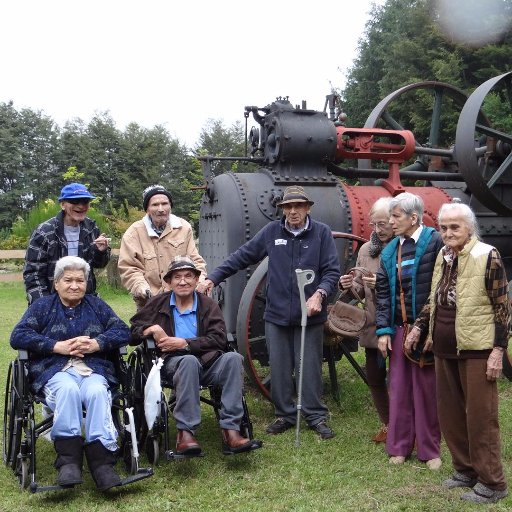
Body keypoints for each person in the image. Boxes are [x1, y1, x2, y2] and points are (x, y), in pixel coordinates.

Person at [202, 185, 340, 440]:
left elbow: (332, 271)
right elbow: (242, 256)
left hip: (309, 314)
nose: (293, 211)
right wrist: (214, 277)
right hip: (276, 313)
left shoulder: (321, 234)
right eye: (288, 207)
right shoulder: (272, 232)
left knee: (308, 365)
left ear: (308, 207)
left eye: (299, 206)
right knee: (279, 365)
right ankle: (285, 414)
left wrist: (319, 294)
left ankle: (315, 415)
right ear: (283, 209)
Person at [407, 202, 509, 504]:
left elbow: (503, 308)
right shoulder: (443, 255)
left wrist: (498, 351)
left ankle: (493, 482)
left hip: (477, 348)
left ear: (470, 228)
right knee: (450, 414)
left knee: (481, 417)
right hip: (444, 346)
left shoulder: (487, 255)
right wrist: (419, 327)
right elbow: (434, 298)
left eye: (455, 227)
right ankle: (465, 470)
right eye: (444, 227)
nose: (449, 232)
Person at [11, 256, 129, 491]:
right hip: (55, 371)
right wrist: (57, 346)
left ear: (87, 283)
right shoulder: (42, 307)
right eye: (68, 280)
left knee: (97, 391)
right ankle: (68, 461)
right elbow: (18, 336)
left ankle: (102, 464)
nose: (75, 285)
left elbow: (123, 331)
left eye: (80, 280)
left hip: (93, 370)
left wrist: (97, 343)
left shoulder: (97, 305)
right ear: (56, 283)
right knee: (68, 390)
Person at [130, 255, 259, 455]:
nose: (183, 281)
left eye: (188, 276)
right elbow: (133, 330)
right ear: (169, 282)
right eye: (177, 277)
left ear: (197, 279)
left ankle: (231, 429)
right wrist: (153, 328)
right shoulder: (158, 303)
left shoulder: (208, 305)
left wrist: (185, 343)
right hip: (171, 365)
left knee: (233, 358)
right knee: (188, 361)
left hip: (207, 363)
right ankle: (186, 433)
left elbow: (219, 339)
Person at [375, 191, 443, 469]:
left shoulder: (435, 242)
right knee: (399, 388)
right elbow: (382, 292)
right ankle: (400, 447)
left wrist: (426, 326)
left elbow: (441, 286)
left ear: (414, 218)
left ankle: (430, 451)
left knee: (426, 389)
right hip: (399, 329)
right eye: (390, 216)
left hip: (426, 328)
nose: (391, 222)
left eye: (396, 216)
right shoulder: (390, 250)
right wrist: (383, 330)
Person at [339, 197, 393, 443]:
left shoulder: (404, 248)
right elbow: (360, 292)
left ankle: (405, 424)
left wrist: (381, 283)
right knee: (374, 376)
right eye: (374, 224)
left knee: (400, 380)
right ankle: (387, 423)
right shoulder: (365, 250)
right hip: (373, 323)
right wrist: (350, 285)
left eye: (383, 224)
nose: (378, 230)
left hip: (398, 321)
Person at [118, 184, 207, 309]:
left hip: (182, 300)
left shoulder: (184, 227)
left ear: (170, 206)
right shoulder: (133, 233)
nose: (161, 209)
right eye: (155, 205)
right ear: (147, 209)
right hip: (150, 303)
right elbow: (129, 267)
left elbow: (195, 260)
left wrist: (201, 279)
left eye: (165, 203)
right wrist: (140, 286)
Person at [23, 183, 110, 305]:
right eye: (74, 201)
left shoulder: (91, 228)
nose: (80, 206)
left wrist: (101, 251)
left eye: (85, 201)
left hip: (84, 300)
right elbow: (33, 274)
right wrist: (43, 306)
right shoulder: (44, 232)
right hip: (51, 299)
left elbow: (99, 264)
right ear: (63, 205)